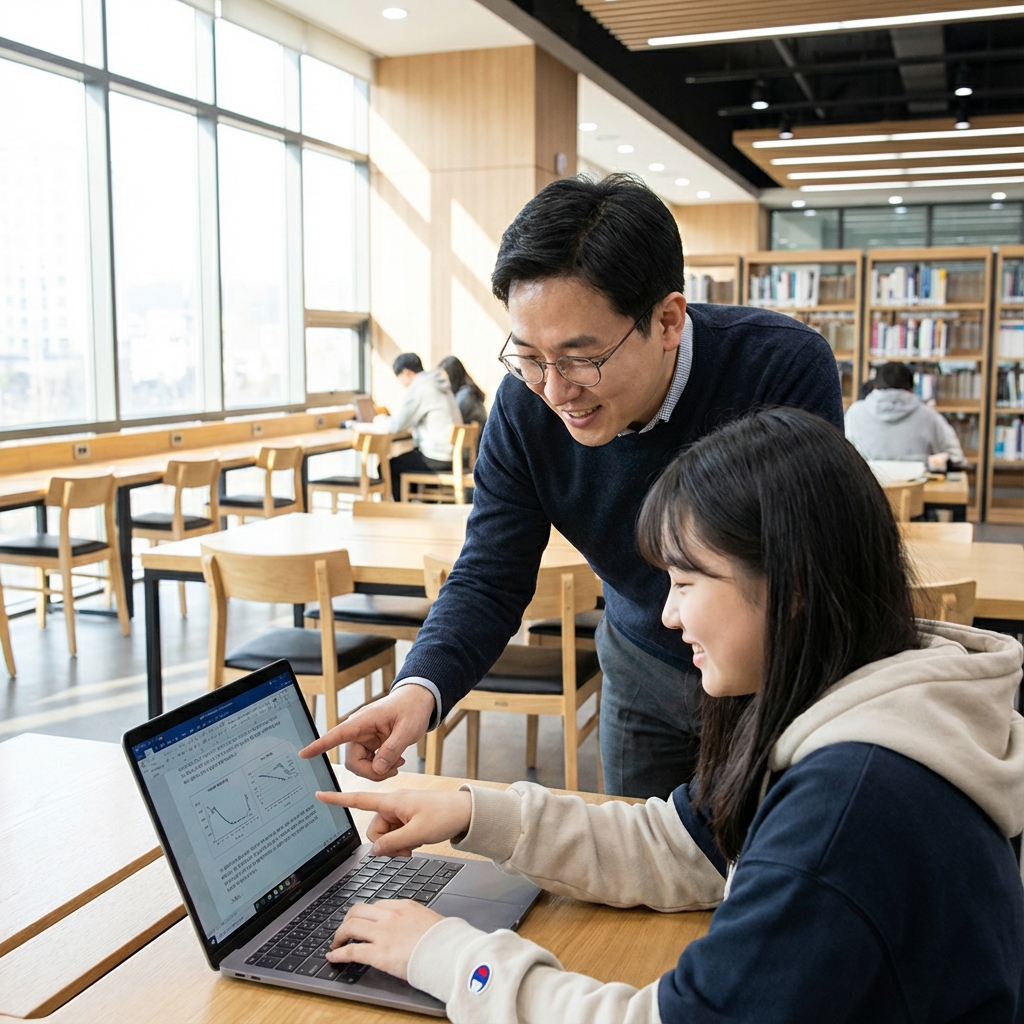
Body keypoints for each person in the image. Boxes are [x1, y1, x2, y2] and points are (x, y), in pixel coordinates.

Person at [314, 408, 1024, 1022]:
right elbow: (685, 844)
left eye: (687, 581)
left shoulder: (851, 807)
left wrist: (446, 954)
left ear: (795, 587)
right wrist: (474, 813)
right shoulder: (864, 696)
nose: (668, 613)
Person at [302, 174, 843, 800]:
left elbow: (802, 567)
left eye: (581, 358)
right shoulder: (523, 408)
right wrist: (420, 687)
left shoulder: (779, 366)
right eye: (529, 356)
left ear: (667, 320)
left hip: (775, 678)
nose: (555, 392)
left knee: (764, 876)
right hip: (642, 667)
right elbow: (491, 573)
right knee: (634, 884)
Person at [845, 361, 964, 466]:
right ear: (911, 389)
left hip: (866, 489)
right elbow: (956, 459)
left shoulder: (854, 413)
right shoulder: (929, 416)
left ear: (875, 387)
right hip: (916, 490)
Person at [387, 352, 462, 501]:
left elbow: (397, 425)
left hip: (437, 456)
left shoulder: (421, 387)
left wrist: (381, 421)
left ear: (406, 373)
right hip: (453, 455)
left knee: (391, 466)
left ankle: (403, 515)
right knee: (410, 459)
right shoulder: (438, 383)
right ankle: (419, 508)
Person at [438, 355, 487, 429]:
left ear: (452, 375)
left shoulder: (466, 395)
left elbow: (452, 420)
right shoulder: (467, 392)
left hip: (476, 439)